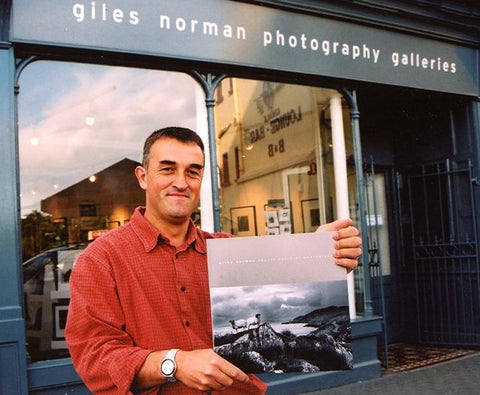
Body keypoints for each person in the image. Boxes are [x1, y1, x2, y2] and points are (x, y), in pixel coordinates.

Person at [65, 126, 362, 395]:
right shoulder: (101, 259)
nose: (181, 182)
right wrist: (174, 363)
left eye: (193, 172)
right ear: (143, 177)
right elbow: (94, 356)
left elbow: (291, 276)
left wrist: (324, 252)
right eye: (168, 169)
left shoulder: (227, 251)